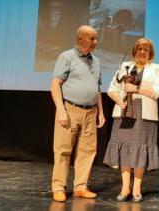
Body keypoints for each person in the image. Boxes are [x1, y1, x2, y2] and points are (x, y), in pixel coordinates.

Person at [103, 38, 159, 203]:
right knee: (124, 149)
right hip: (125, 112)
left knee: (139, 150)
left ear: (150, 53)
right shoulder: (125, 67)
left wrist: (137, 89)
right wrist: (119, 100)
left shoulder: (157, 69)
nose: (142, 52)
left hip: (144, 114)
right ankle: (125, 188)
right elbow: (111, 89)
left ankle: (137, 189)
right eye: (139, 49)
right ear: (134, 51)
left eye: (145, 49)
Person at [50, 25, 105, 202]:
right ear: (80, 39)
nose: (96, 42)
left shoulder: (95, 61)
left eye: (96, 38)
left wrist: (101, 113)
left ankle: (80, 186)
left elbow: (97, 88)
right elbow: (55, 84)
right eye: (92, 38)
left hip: (91, 111)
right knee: (63, 150)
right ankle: (59, 187)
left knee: (87, 151)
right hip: (70, 109)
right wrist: (61, 110)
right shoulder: (66, 57)